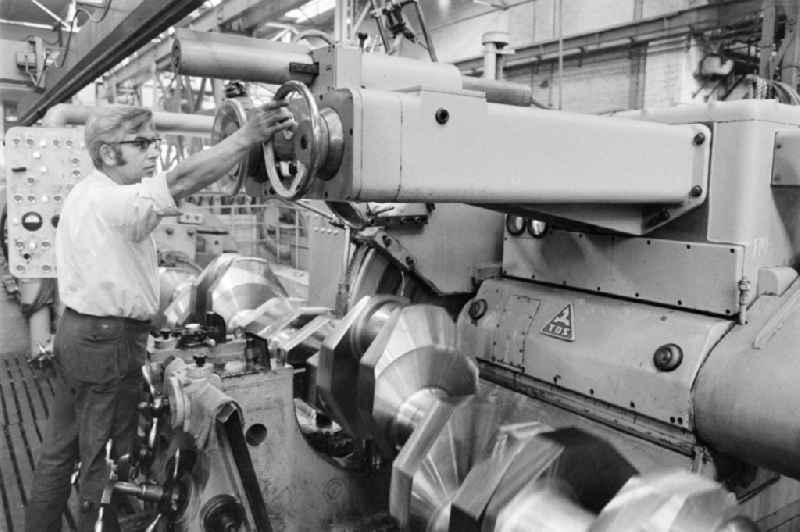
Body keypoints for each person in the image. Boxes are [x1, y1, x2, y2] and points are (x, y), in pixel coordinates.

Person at [25, 102, 294, 532]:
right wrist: (246, 138)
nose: (154, 152)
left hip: (78, 335)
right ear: (109, 152)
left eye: (155, 141)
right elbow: (183, 179)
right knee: (106, 463)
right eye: (142, 143)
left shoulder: (86, 192)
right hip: (107, 345)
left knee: (60, 452)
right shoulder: (116, 202)